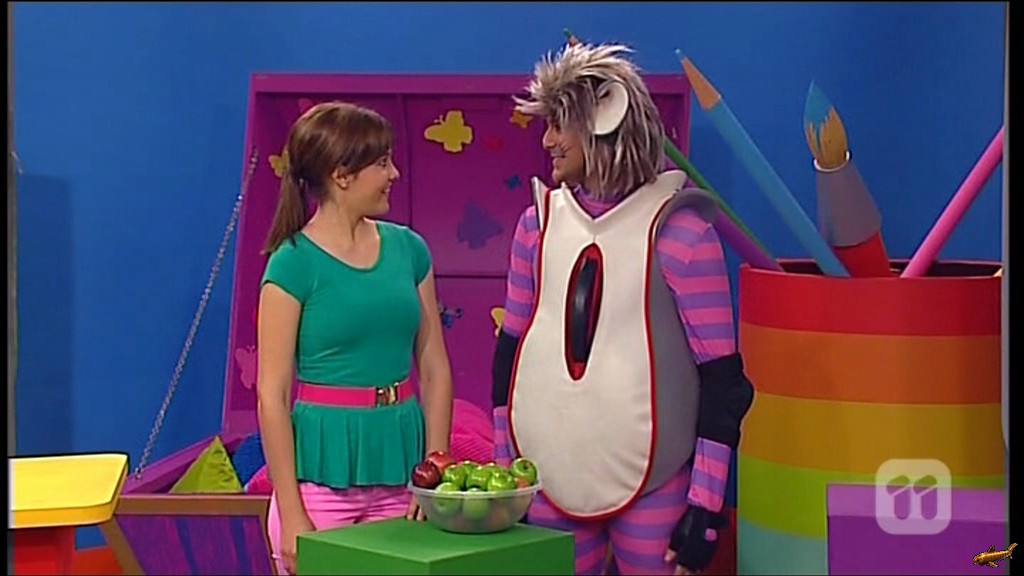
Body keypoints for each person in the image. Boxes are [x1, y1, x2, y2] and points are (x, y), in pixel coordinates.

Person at [490, 42, 755, 575]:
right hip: (549, 476)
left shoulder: (680, 232)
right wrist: (506, 471)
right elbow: (510, 354)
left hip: (654, 479)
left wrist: (705, 505)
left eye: (559, 125)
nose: (547, 141)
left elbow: (723, 381)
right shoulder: (536, 226)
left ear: (603, 121)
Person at [257, 101, 454, 575]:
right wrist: (292, 513)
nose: (395, 174)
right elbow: (272, 394)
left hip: (403, 474)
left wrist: (434, 474)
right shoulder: (292, 263)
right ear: (342, 175)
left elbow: (434, 368)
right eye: (382, 163)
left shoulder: (409, 249)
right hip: (320, 481)